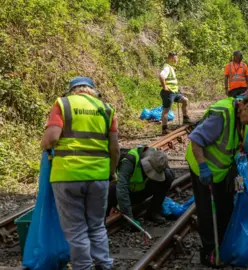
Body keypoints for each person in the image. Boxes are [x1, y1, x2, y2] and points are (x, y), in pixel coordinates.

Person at [41, 76, 119, 270]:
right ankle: (104, 264)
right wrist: (111, 172)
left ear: (71, 90)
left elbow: (51, 139)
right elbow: (115, 149)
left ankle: (83, 266)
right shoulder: (107, 109)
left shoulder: (63, 104)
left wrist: (43, 145)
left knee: (76, 229)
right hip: (98, 176)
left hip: (68, 175)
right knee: (97, 225)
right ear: (93, 90)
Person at [185, 94, 248, 267]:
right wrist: (203, 167)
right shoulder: (222, 114)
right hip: (203, 168)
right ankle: (209, 253)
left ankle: (224, 247)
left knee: (226, 207)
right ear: (246, 107)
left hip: (223, 169)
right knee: (207, 212)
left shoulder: (242, 117)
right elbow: (196, 140)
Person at [107, 147, 175, 225]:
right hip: (123, 193)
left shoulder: (158, 158)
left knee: (168, 176)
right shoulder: (130, 160)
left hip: (140, 191)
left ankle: (153, 212)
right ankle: (104, 215)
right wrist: (130, 218)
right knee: (112, 189)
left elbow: (168, 176)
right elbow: (122, 189)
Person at [159, 52, 191, 135]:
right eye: (176, 58)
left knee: (185, 100)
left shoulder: (171, 67)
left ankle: (185, 119)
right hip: (168, 93)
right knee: (166, 110)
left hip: (174, 92)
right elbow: (161, 76)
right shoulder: (167, 67)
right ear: (171, 58)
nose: (177, 60)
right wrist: (164, 87)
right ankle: (164, 129)